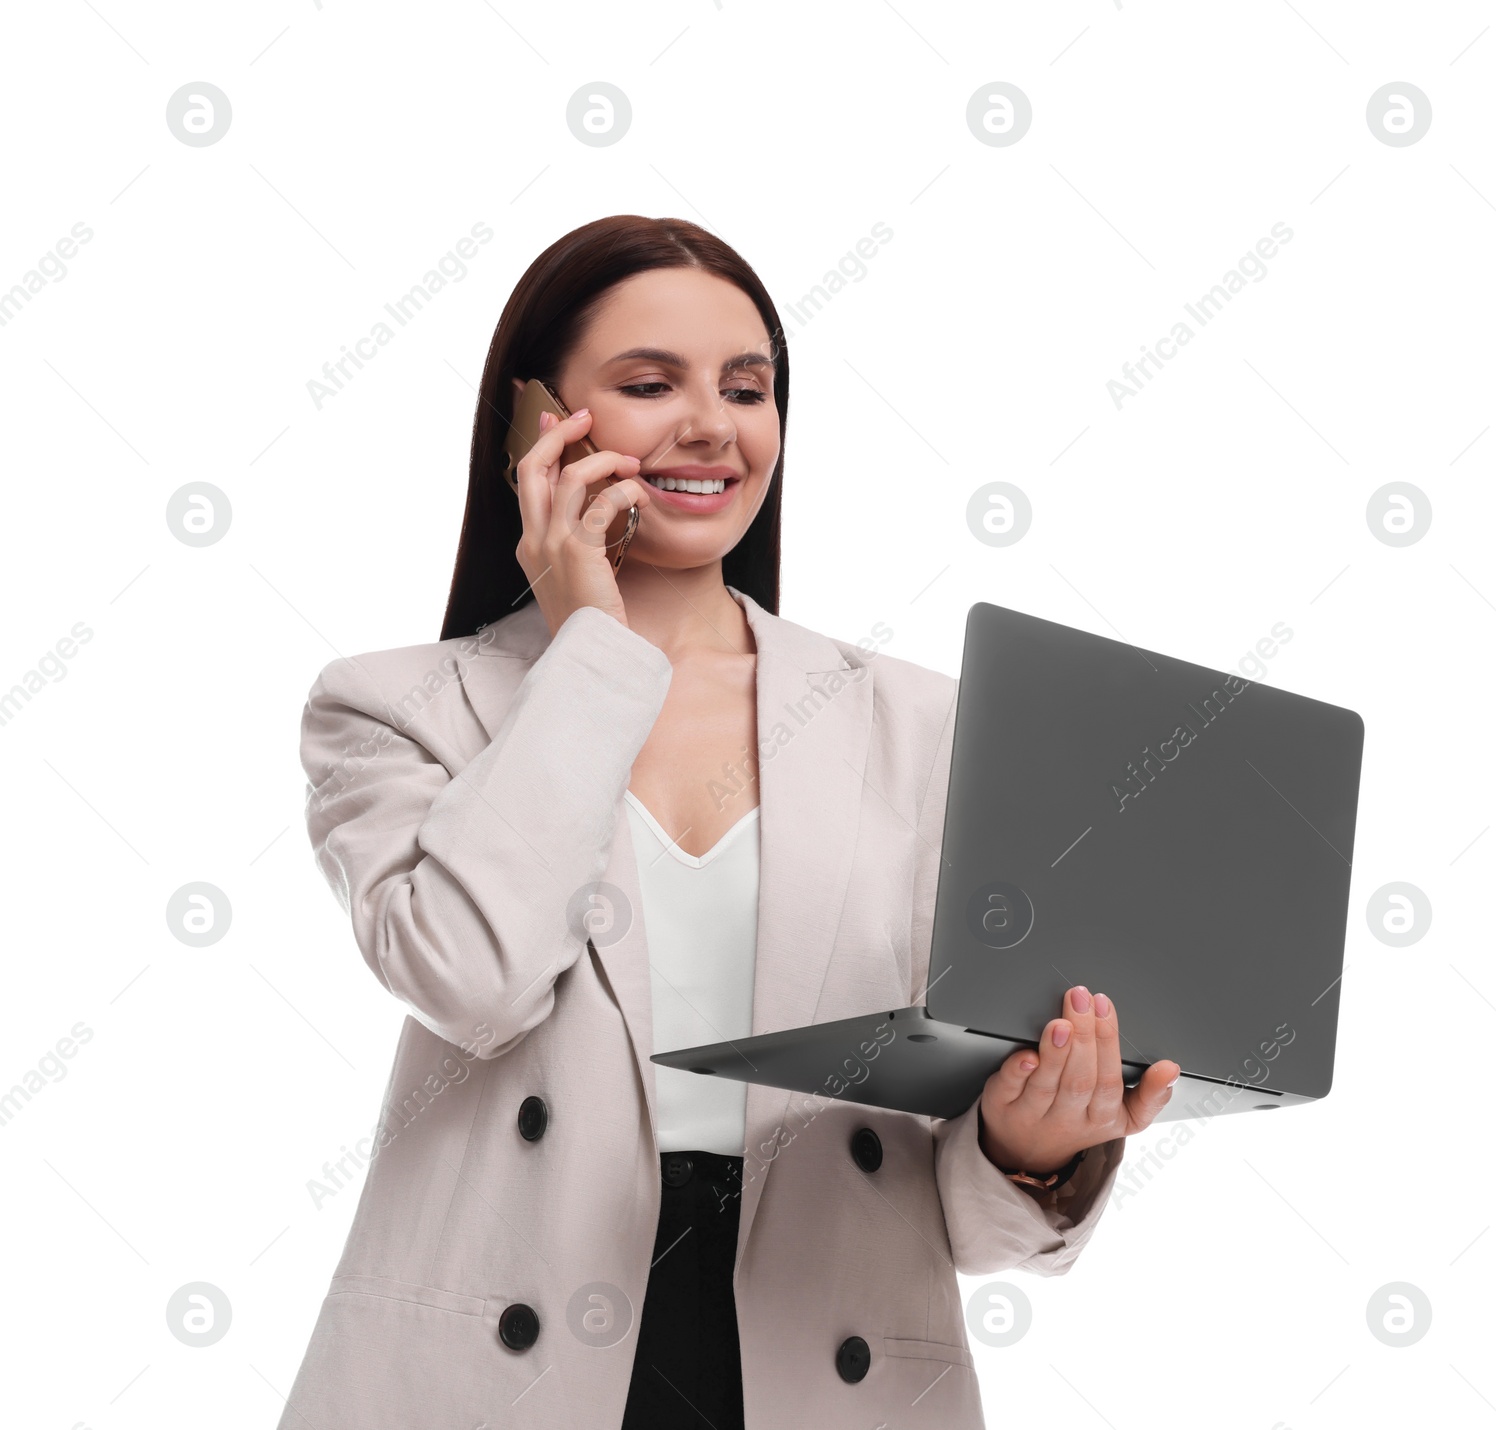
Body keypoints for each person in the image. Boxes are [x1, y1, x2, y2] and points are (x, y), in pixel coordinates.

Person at [276, 214, 1180, 1430]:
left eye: (746, 387)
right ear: (538, 422)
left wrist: (1028, 1144)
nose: (712, 425)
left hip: (828, 1354)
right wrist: (590, 649)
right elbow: (473, 979)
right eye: (650, 383)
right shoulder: (396, 708)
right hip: (500, 1371)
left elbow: (965, 1223)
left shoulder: (922, 724)